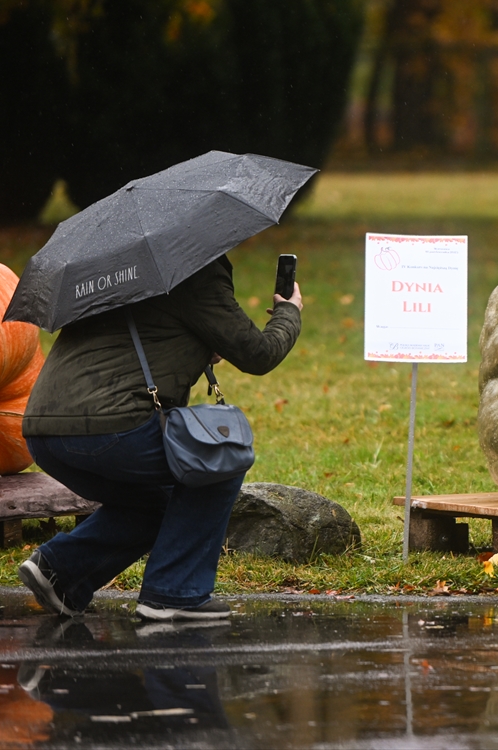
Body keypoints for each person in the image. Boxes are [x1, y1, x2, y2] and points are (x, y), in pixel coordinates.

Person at [17, 255, 302, 619]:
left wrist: (200, 345)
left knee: (157, 502)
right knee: (218, 460)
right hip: (109, 428)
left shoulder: (114, 266)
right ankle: (175, 593)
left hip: (44, 432)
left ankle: (60, 570)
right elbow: (258, 354)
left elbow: (137, 336)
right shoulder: (193, 266)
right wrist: (289, 312)